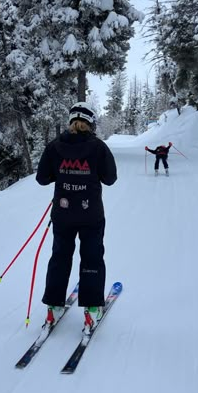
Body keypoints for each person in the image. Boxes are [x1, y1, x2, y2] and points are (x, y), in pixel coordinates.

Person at [36, 102, 117, 334]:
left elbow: (42, 178)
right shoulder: (98, 147)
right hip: (91, 214)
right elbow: (110, 178)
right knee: (92, 258)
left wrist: (62, 173)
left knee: (60, 257)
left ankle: (53, 306)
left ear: (71, 121)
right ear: (90, 123)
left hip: (62, 214)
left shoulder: (55, 147)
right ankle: (92, 310)